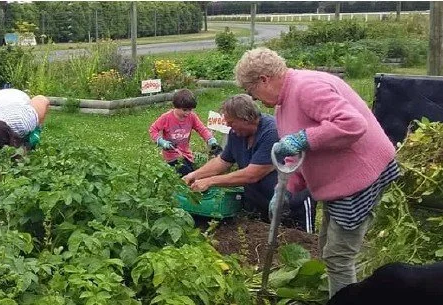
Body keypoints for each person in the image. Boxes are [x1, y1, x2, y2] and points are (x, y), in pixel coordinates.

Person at [234, 47, 400, 297]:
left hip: (359, 176)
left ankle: (347, 298)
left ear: (264, 80)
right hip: (338, 180)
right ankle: (348, 291)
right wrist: (285, 190)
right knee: (327, 249)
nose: (254, 99)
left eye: (251, 91)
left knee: (338, 257)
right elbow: (296, 154)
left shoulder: (306, 88)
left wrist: (304, 138)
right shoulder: (283, 104)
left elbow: (352, 124)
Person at [182, 94, 316, 230]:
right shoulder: (236, 134)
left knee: (300, 243)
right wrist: (194, 175)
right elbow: (223, 161)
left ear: (246, 119)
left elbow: (253, 174)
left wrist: (209, 181)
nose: (228, 125)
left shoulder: (272, 132)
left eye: (231, 122)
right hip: (261, 202)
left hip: (290, 201)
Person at [149, 89, 221, 176]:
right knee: (189, 176)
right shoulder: (166, 118)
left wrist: (210, 139)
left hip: (186, 154)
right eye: (184, 110)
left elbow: (201, 129)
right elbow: (153, 130)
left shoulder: (192, 117)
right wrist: (161, 142)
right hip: (172, 156)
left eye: (190, 110)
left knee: (192, 173)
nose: (187, 113)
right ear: (176, 106)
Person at [0, 88, 50, 163]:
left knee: (24, 152)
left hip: (13, 96)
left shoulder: (23, 121)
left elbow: (42, 99)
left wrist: (37, 129)